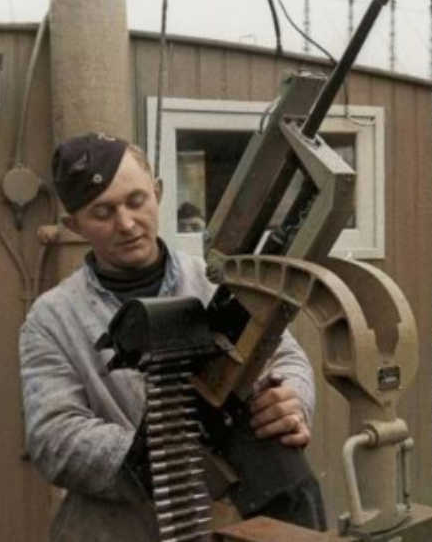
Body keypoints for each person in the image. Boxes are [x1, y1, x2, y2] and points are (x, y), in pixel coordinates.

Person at [19, 133, 325, 542]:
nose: (126, 224)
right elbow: (52, 436)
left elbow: (285, 355)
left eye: (136, 201)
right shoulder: (52, 317)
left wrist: (289, 400)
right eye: (102, 212)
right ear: (74, 225)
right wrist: (149, 454)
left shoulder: (216, 282)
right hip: (111, 526)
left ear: (158, 192)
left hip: (225, 520)